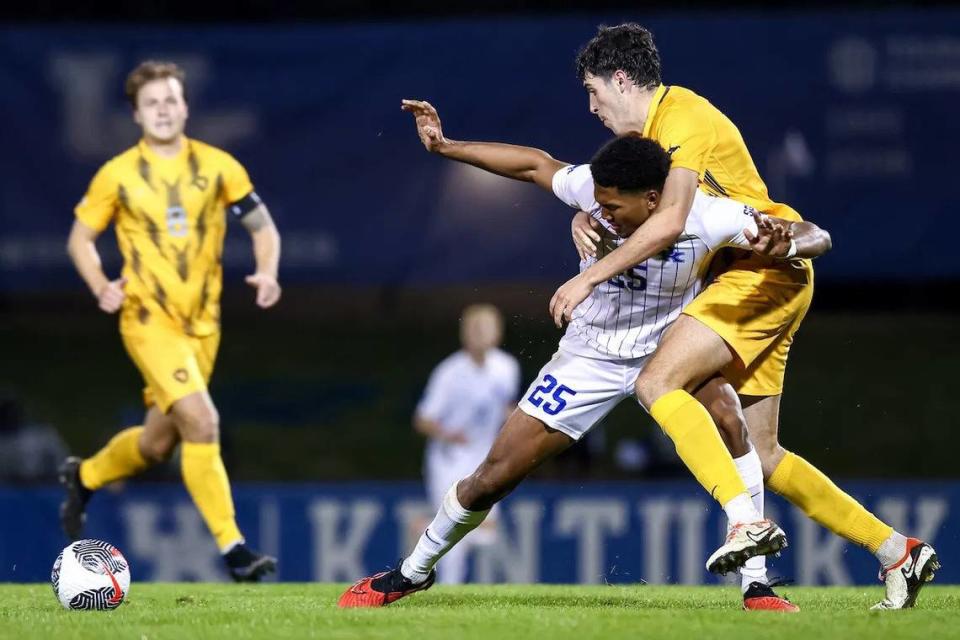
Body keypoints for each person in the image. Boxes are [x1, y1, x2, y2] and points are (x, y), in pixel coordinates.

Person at [337, 131, 831, 608]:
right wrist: (449, 148)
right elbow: (533, 163)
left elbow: (815, 234)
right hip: (588, 356)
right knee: (494, 476)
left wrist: (789, 244)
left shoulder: (707, 214)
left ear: (655, 198)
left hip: (669, 351)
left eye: (614, 207)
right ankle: (413, 570)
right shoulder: (595, 191)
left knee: (727, 414)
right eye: (598, 203)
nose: (603, 214)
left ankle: (757, 584)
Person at [553, 24, 937, 610]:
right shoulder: (655, 136)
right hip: (764, 279)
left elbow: (671, 220)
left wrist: (587, 277)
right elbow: (626, 203)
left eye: (593, 92)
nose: (592, 107)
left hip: (759, 274)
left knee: (656, 381)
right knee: (764, 455)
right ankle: (895, 552)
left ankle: (743, 525)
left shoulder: (681, 118)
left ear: (622, 79)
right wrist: (585, 218)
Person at [59, 60, 281, 582]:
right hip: (147, 320)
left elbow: (263, 227)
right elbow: (79, 241)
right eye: (151, 103)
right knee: (203, 421)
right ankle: (235, 550)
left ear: (184, 107)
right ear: (136, 114)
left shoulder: (220, 166)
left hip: (204, 327)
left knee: (158, 443)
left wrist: (268, 271)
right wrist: (101, 286)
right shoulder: (116, 174)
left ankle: (86, 476)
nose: (162, 110)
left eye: (170, 100)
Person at [413, 304, 520, 584]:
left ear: (498, 333)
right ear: (464, 334)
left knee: (487, 533)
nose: (480, 334)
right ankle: (446, 591)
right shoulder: (449, 372)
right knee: (451, 533)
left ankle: (422, 527)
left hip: (485, 458)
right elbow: (422, 419)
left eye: (486, 328)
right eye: (474, 328)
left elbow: (506, 408)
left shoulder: (507, 367)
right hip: (450, 458)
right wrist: (449, 435)